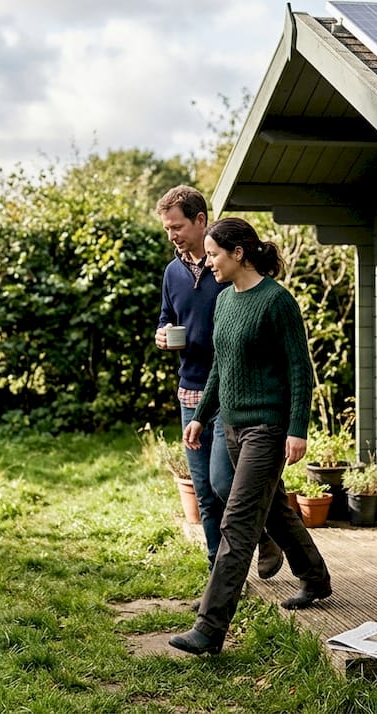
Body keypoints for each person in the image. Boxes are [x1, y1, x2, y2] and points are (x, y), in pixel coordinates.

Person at [169, 217, 332, 656]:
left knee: (237, 523)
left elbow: (300, 369)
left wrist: (298, 429)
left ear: (238, 253)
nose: (210, 263)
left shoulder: (276, 302)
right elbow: (221, 367)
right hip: (233, 427)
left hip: (268, 428)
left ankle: (209, 628)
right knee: (272, 506)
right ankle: (315, 577)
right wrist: (202, 416)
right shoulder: (224, 301)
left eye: (215, 255)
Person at [154, 186, 283, 590]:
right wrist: (162, 334)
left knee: (225, 485)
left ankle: (263, 537)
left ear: (200, 220)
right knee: (207, 495)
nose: (172, 235)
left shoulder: (225, 267)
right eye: (167, 229)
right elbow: (166, 316)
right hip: (191, 392)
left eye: (177, 226)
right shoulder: (172, 272)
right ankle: (221, 578)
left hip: (233, 393)